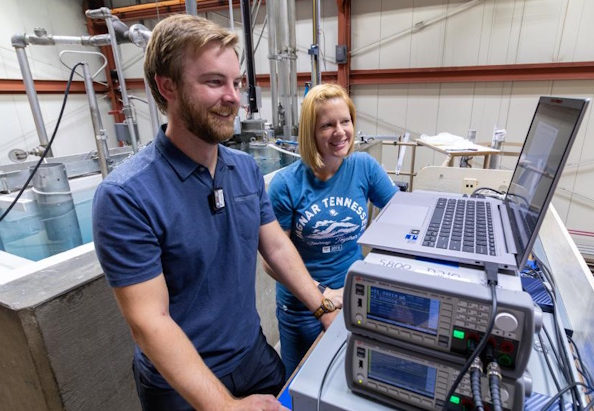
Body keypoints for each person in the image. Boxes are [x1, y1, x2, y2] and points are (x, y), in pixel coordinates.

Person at [92, 15, 340, 411]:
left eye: (237, 83)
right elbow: (149, 322)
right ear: (167, 85)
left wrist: (323, 307)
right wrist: (225, 407)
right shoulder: (126, 196)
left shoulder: (243, 168)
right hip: (181, 382)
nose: (233, 98)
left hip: (251, 352)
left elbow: (275, 245)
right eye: (214, 82)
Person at [266, 84, 399, 378]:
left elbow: (400, 218)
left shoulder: (363, 166)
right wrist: (324, 296)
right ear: (310, 133)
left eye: (345, 121)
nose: (340, 132)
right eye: (327, 125)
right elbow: (272, 259)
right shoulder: (286, 185)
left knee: (349, 376)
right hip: (301, 305)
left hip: (353, 295)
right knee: (302, 381)